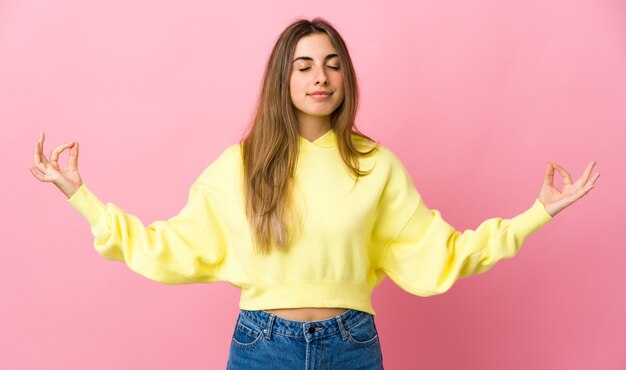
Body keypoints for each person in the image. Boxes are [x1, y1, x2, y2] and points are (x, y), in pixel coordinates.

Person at [29, 17, 600, 370]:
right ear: (285, 78)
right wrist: (82, 197)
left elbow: (441, 253)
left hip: (352, 345)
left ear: (346, 77)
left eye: (331, 64)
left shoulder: (376, 165)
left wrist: (537, 213)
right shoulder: (242, 167)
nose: (319, 76)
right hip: (262, 346)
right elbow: (168, 245)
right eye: (304, 65)